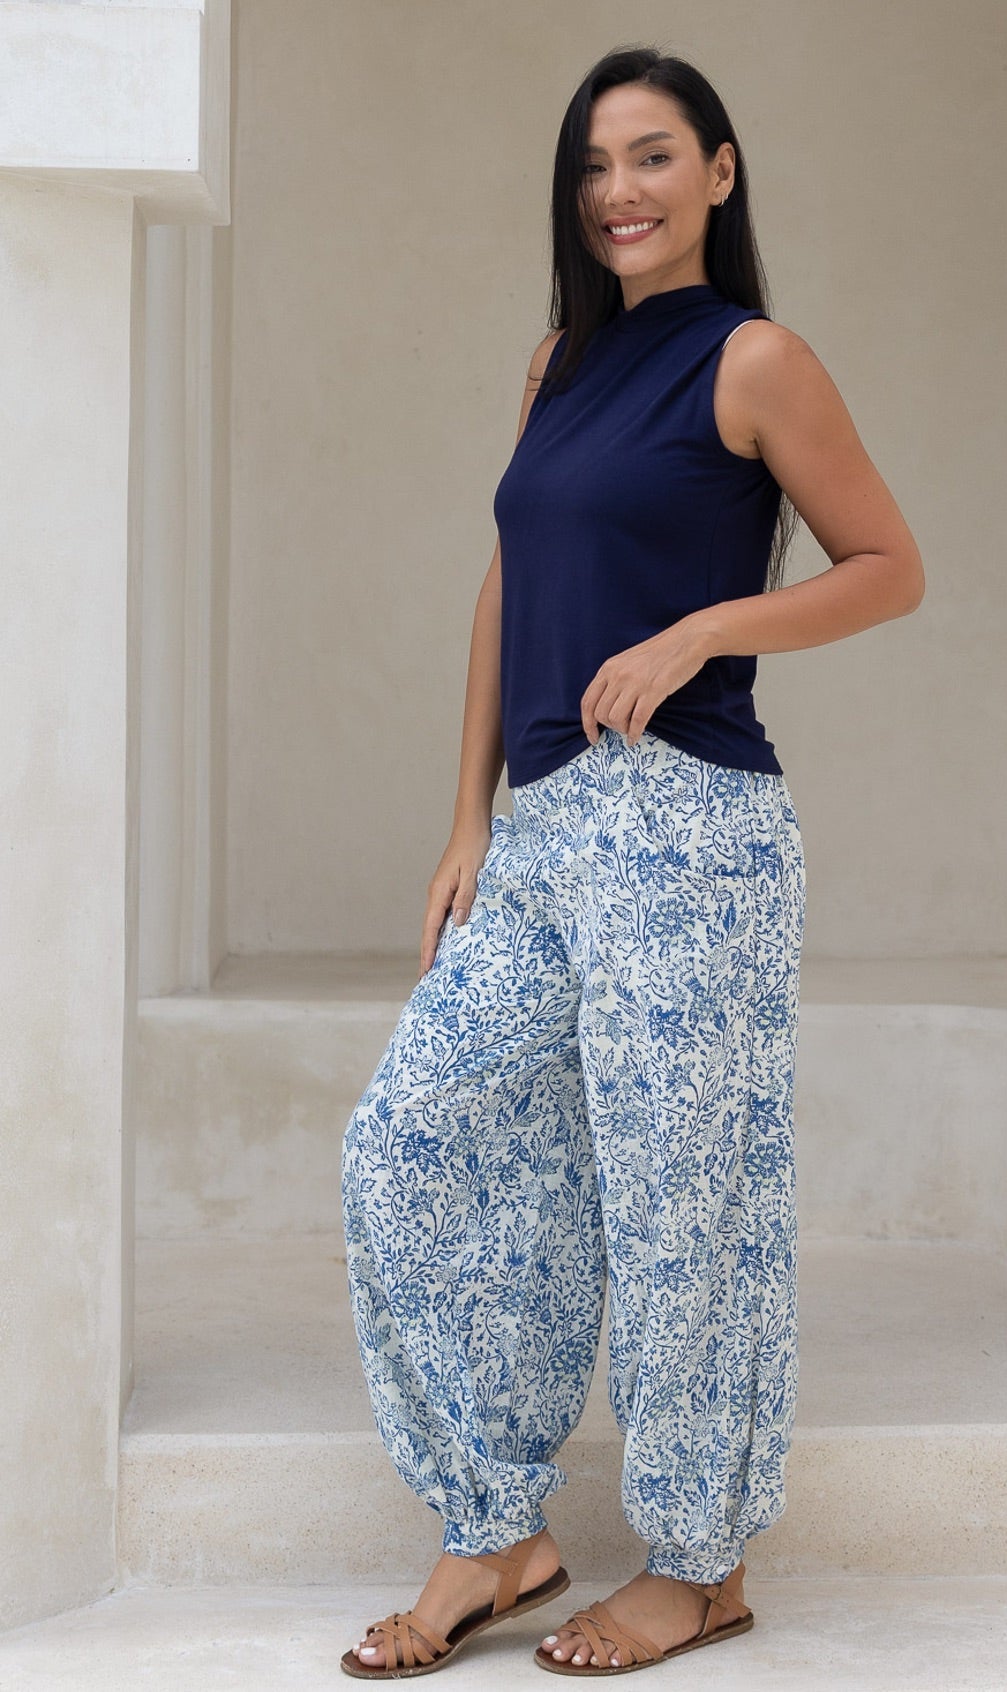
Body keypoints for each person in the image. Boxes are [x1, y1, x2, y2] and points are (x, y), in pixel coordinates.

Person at [339, 42, 923, 1681]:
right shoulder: (557, 367)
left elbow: (890, 566)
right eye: (597, 166)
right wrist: (468, 817)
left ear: (720, 175)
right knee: (412, 1145)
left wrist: (708, 628)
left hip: (692, 830)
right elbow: (505, 586)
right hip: (543, 834)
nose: (621, 193)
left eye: (656, 158)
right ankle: (498, 1521)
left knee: (686, 1205)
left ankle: (700, 1562)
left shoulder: (757, 361)